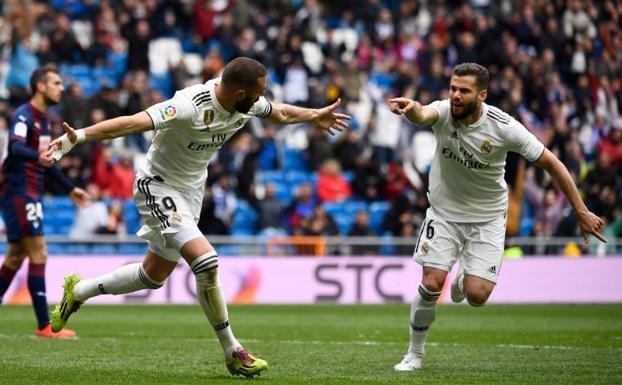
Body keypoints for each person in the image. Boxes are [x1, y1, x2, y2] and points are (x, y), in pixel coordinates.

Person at [47, 57, 350, 377]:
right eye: (259, 91)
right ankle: (233, 351)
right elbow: (132, 122)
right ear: (238, 94)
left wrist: (315, 114)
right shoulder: (189, 105)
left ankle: (78, 292)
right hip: (157, 185)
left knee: (153, 275)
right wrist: (77, 137)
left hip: (191, 193)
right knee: (207, 262)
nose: (263, 97)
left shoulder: (248, 104)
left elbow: (282, 112)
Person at [388, 62, 606, 372]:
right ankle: (414, 354)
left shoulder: (505, 127)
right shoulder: (444, 112)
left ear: (482, 95)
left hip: (487, 218)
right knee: (432, 282)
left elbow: (553, 163)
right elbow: (423, 114)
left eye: (464, 90)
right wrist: (411, 109)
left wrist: (581, 211)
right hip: (444, 214)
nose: (455, 96)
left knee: (477, 296)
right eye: (453, 88)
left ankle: (465, 278)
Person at [0, 67, 90, 338]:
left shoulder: (43, 119)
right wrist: (37, 158)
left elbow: (48, 161)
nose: (61, 88)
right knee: (39, 253)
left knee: (16, 257)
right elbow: (15, 148)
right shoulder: (24, 115)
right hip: (18, 191)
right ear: (40, 86)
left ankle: (43, 325)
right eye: (56, 83)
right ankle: (44, 325)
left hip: (29, 191)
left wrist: (70, 189)